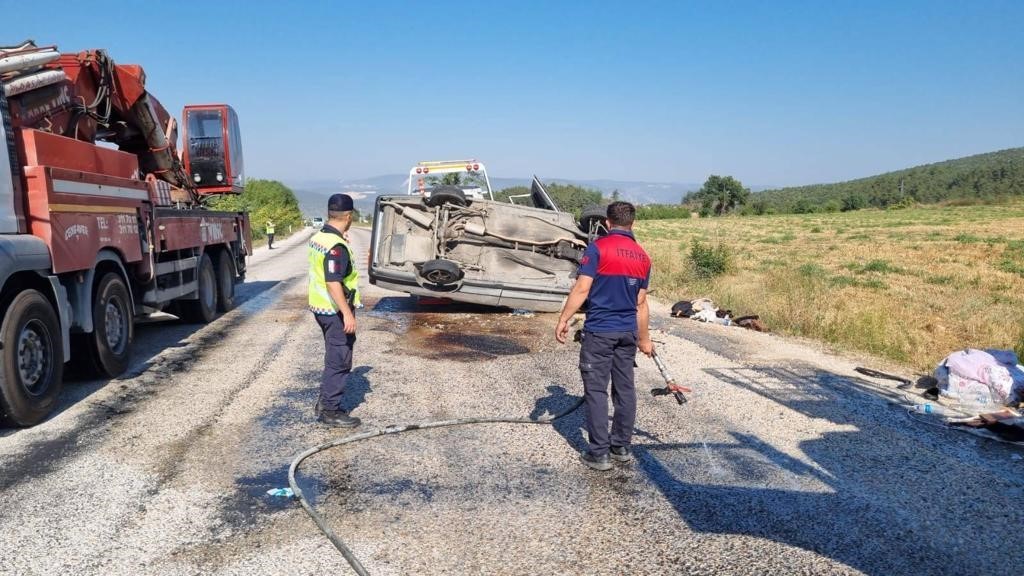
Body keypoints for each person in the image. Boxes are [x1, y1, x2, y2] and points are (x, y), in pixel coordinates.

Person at [555, 201, 654, 471]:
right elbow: (641, 303)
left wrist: (564, 318)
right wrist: (644, 339)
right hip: (627, 334)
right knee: (625, 389)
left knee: (596, 390)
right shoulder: (643, 257)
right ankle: (620, 446)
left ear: (607, 223)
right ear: (632, 223)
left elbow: (581, 288)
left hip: (600, 331)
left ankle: (598, 453)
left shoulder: (597, 248)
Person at [308, 194, 362, 427]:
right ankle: (330, 411)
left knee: (333, 356)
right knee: (340, 359)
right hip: (334, 311)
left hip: (320, 307)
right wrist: (347, 313)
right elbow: (333, 281)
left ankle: (324, 401)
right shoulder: (335, 246)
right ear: (348, 217)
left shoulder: (320, 237)